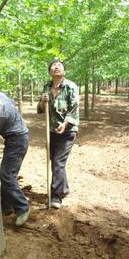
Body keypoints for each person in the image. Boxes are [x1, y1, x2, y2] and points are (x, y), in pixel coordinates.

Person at [37, 59, 79, 209]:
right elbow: (40, 109)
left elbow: (74, 108)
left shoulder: (71, 86)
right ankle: (64, 188)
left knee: (58, 162)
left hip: (67, 131)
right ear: (49, 72)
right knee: (54, 161)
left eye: (59, 66)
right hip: (52, 131)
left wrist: (65, 123)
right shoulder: (46, 87)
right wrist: (42, 101)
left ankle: (56, 196)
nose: (56, 67)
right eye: (53, 66)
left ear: (64, 72)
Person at [0, 92, 30, 226]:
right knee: (7, 174)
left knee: (7, 175)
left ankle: (22, 207)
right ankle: (5, 206)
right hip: (17, 136)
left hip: (17, 140)